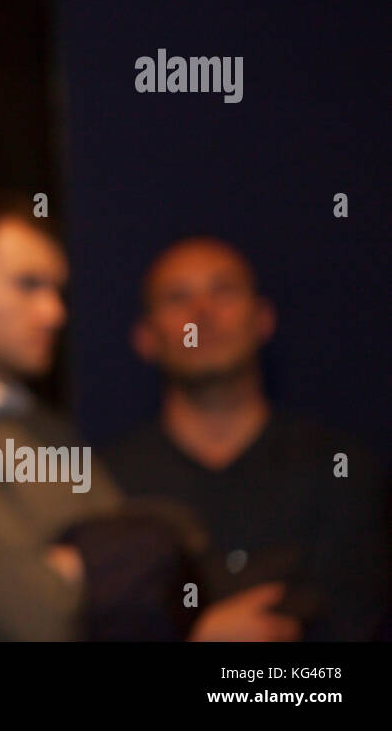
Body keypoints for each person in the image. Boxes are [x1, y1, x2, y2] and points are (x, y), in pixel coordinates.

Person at [0, 196, 187, 641]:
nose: (55, 313)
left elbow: (156, 557)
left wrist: (86, 565)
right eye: (28, 284)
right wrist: (104, 564)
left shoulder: (43, 423)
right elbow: (34, 619)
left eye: (58, 291)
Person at [106, 237, 390, 640]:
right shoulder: (105, 486)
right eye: (177, 298)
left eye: (223, 291)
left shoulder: (343, 471)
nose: (202, 314)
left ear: (262, 319)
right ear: (146, 337)